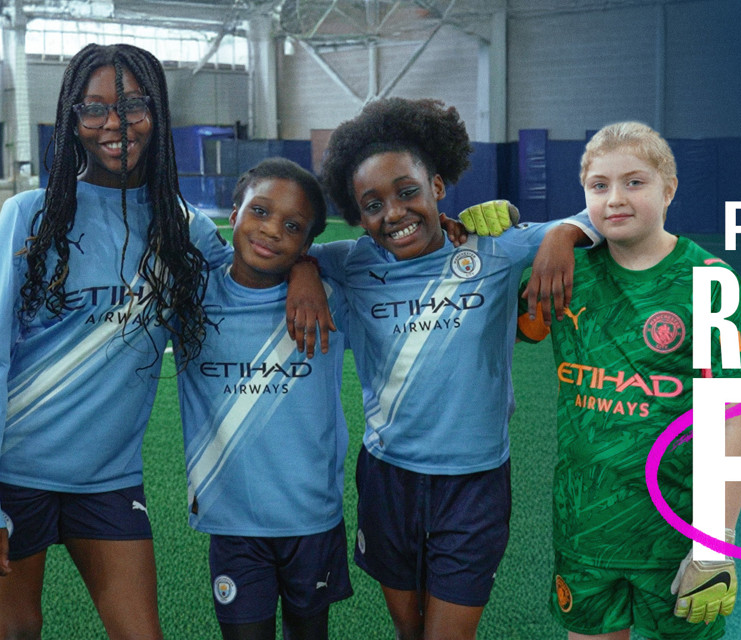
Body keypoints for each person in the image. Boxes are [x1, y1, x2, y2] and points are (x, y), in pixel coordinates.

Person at [0, 44, 329, 639]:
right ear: (72, 120)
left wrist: (305, 267)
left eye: (131, 104)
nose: (115, 123)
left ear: (156, 110)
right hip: (15, 471)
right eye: (93, 107)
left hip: (109, 478)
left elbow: (246, 278)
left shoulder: (181, 228)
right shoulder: (29, 215)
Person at [310, 97, 597, 640]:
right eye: (371, 204)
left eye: (407, 192)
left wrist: (561, 234)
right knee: (409, 628)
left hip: (475, 481)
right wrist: (304, 272)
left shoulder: (495, 248)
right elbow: (289, 250)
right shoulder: (351, 261)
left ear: (438, 186)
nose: (392, 213)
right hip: (387, 476)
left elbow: (598, 215)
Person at [522, 121, 741, 640]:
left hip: (676, 533)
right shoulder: (567, 273)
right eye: (599, 186)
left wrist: (716, 544)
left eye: (635, 182)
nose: (615, 199)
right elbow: (489, 304)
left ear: (668, 189)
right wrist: (554, 234)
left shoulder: (713, 284)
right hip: (584, 528)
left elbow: (736, 424)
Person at [174, 158, 352, 640]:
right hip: (233, 522)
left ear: (307, 243)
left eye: (292, 226)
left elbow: (390, 259)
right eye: (260, 211)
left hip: (311, 518)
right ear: (232, 215)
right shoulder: (188, 299)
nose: (271, 230)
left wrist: (309, 271)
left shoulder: (330, 303)